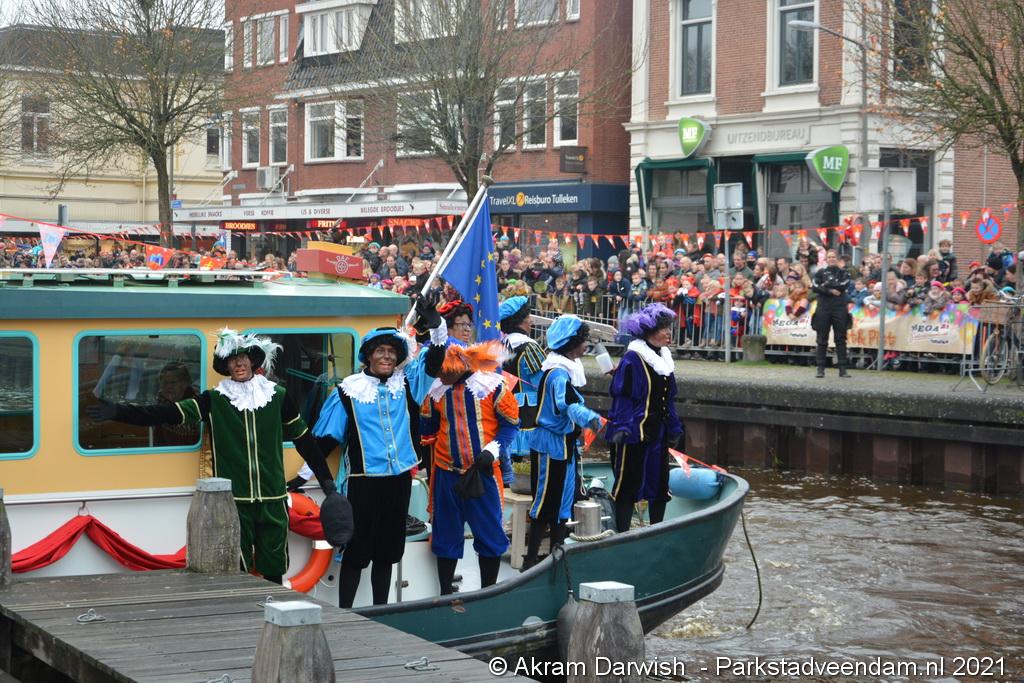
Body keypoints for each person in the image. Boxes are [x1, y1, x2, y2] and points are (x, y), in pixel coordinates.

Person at [87, 330, 337, 584]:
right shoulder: (214, 400)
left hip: (273, 498)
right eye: (232, 359)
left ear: (252, 361)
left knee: (274, 568)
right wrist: (118, 412)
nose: (238, 363)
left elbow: (305, 441)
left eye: (243, 358)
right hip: (235, 501)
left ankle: (270, 606)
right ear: (226, 365)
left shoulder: (277, 396)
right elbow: (164, 413)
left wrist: (327, 484)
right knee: (237, 569)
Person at [313, 304, 446, 607]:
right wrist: (308, 478)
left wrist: (437, 325)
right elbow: (324, 441)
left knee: (387, 553)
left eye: (391, 352)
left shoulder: (408, 385)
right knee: (356, 553)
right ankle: (346, 612)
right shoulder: (348, 392)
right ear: (369, 355)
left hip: (398, 482)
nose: (387, 356)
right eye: (380, 351)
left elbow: (435, 360)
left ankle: (380, 611)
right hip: (362, 483)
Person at [421, 341, 519, 594]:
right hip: (446, 474)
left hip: (483, 473)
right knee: (445, 534)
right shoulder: (436, 391)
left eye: (444, 372)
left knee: (489, 533)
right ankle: (445, 593)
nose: (441, 377)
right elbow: (428, 429)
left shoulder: (492, 386)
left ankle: (488, 594)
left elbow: (510, 424)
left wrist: (492, 450)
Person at [522, 315, 603, 570]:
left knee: (562, 503)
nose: (586, 345)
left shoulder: (563, 370)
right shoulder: (557, 374)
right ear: (571, 343)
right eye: (583, 340)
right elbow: (567, 404)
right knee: (545, 502)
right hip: (550, 445)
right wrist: (594, 421)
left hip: (564, 444)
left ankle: (555, 558)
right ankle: (530, 561)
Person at [606, 304, 684, 533]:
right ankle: (622, 535)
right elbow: (623, 398)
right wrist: (624, 429)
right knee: (628, 485)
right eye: (663, 328)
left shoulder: (663, 358)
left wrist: (674, 427)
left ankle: (656, 531)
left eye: (668, 327)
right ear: (649, 332)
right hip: (633, 432)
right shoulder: (633, 359)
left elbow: (668, 398)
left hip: (657, 432)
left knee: (659, 483)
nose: (668, 332)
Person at [499, 296, 546, 488]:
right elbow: (543, 381)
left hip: (506, 405)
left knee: (511, 456)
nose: (531, 321)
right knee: (534, 459)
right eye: (528, 317)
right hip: (530, 408)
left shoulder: (500, 346)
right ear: (521, 321)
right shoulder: (530, 347)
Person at [811, 249, 852, 378]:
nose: (831, 259)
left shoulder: (844, 272)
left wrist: (825, 285)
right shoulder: (820, 272)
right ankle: (820, 369)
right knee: (821, 339)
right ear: (826, 259)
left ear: (837, 258)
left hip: (839, 307)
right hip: (823, 307)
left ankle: (843, 369)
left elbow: (844, 285)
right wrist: (830, 291)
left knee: (841, 339)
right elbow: (815, 286)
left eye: (834, 257)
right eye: (829, 257)